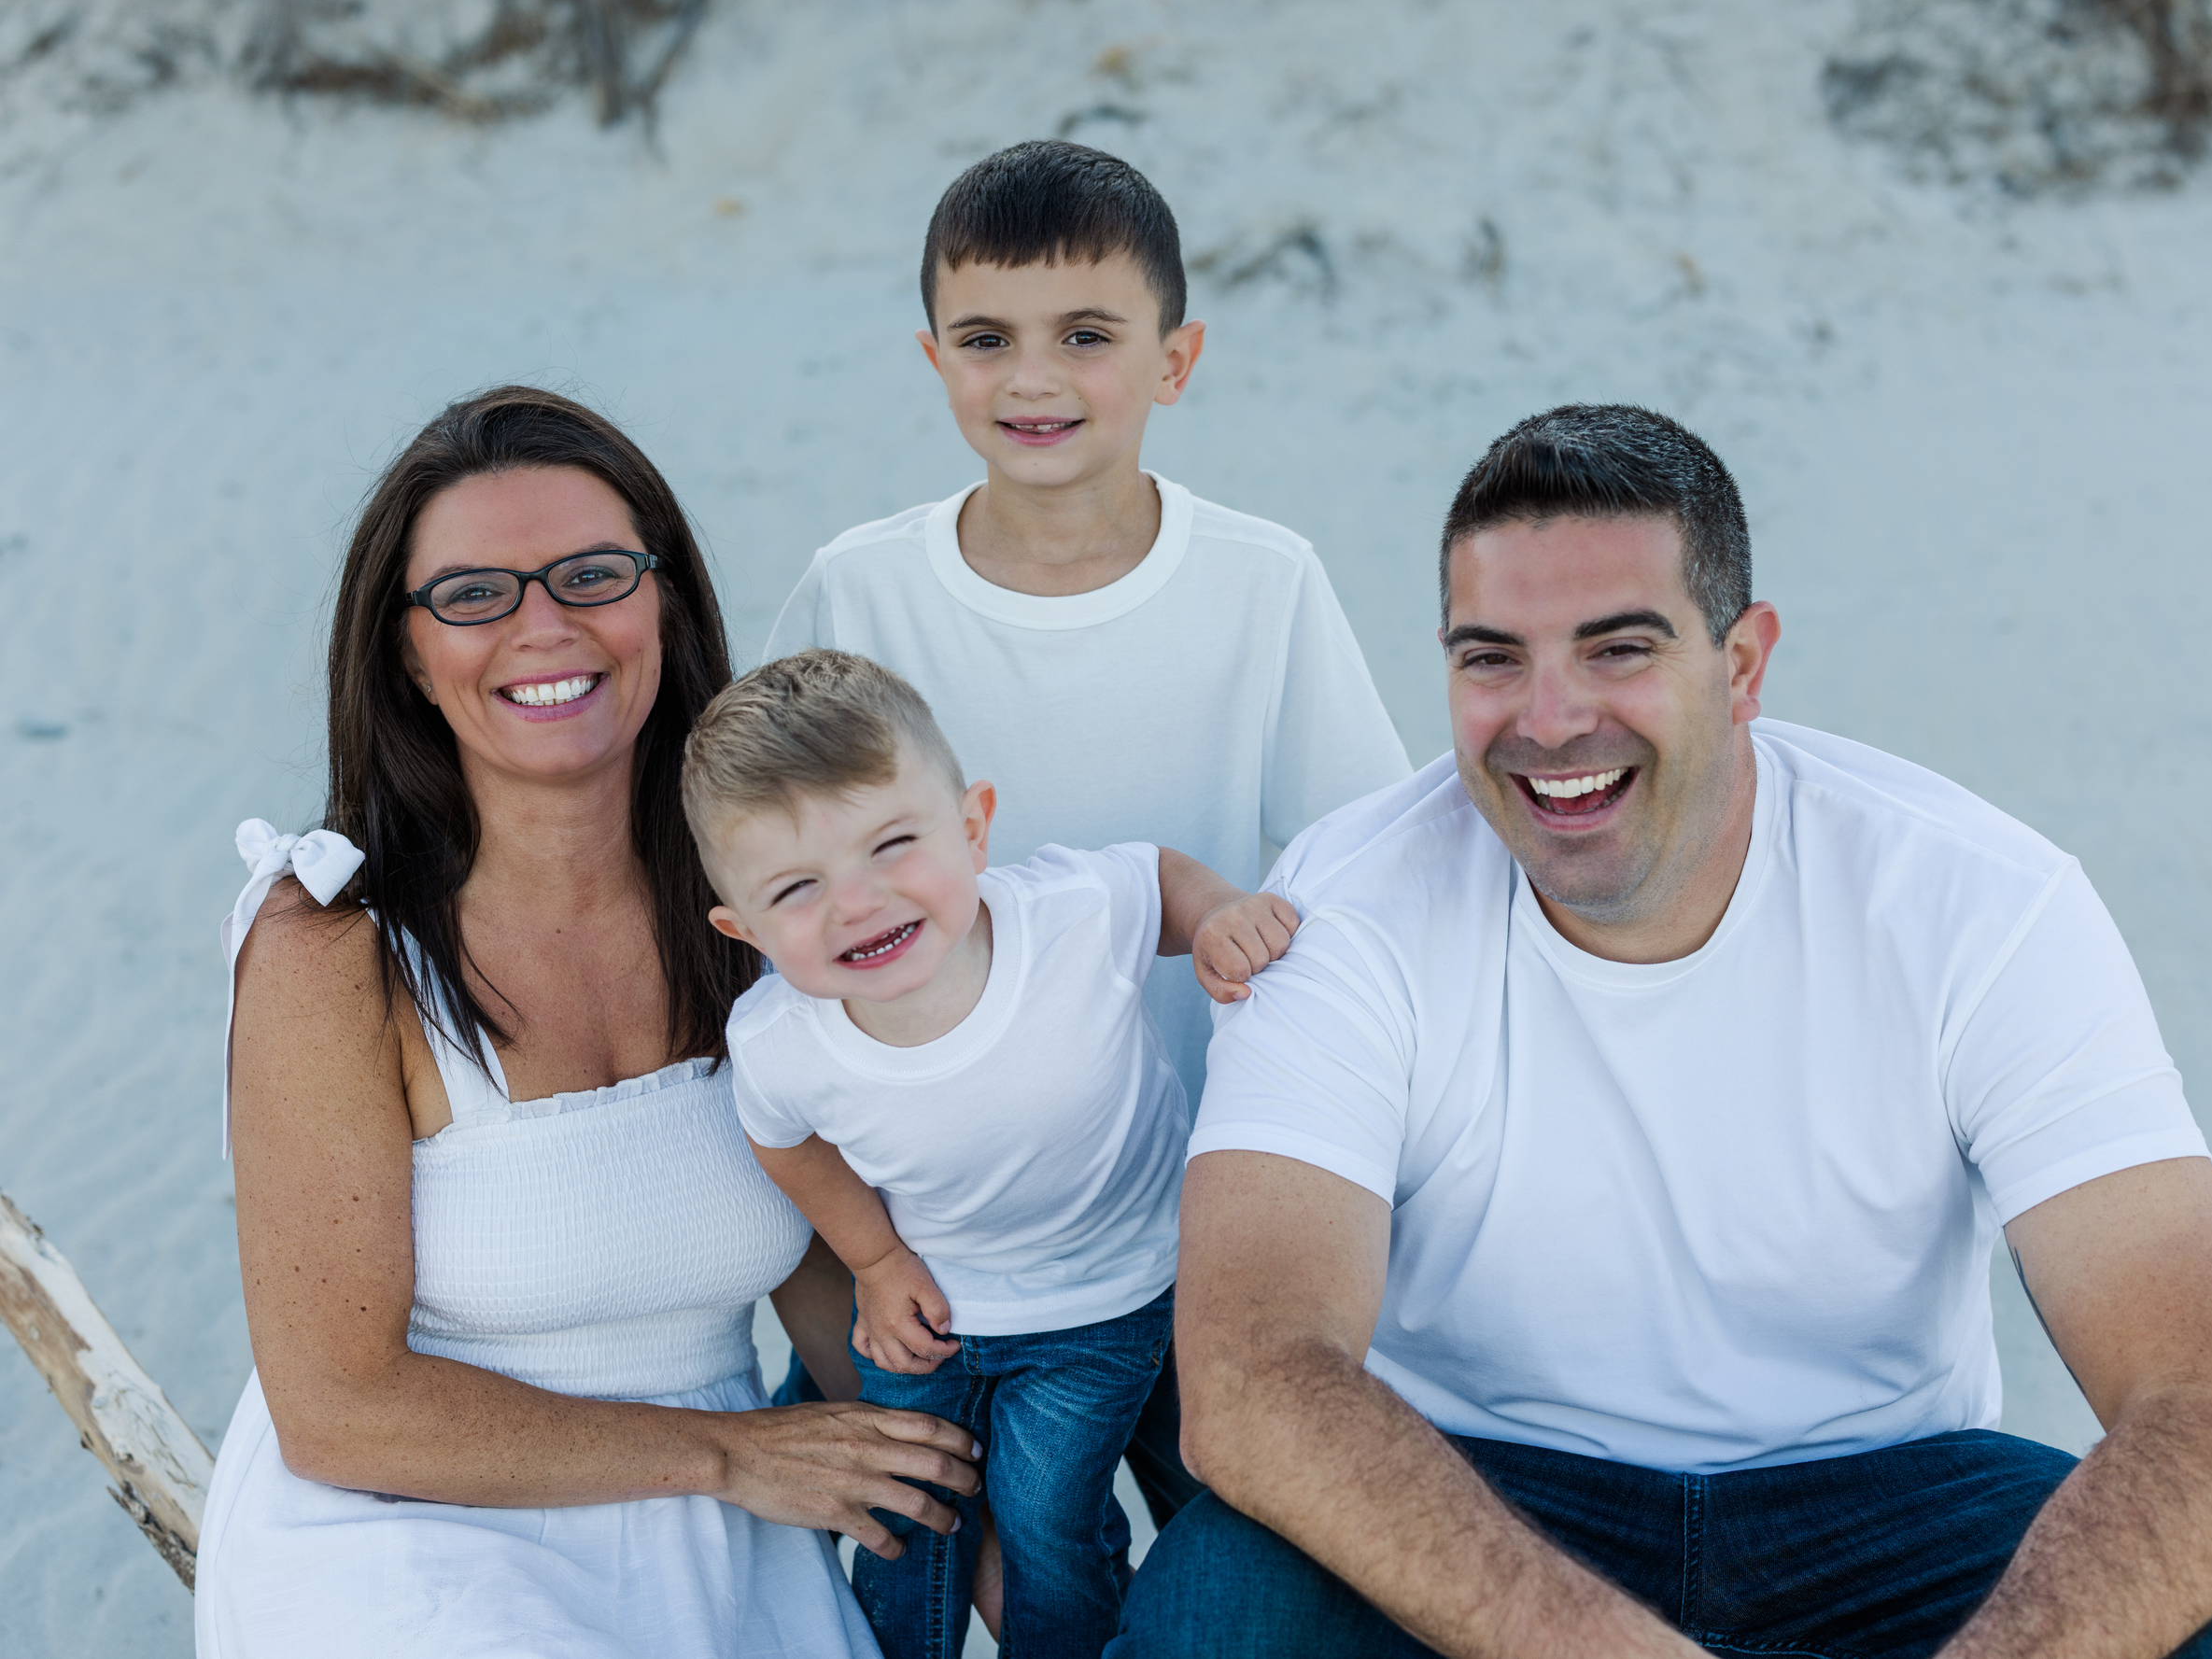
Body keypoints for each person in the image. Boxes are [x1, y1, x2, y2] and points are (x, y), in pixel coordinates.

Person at [1114, 404, 2212, 1658]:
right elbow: (1255, 1376)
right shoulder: (1348, 906)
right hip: (1479, 1496)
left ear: (1742, 663)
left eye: (1617, 649)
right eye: (1492, 659)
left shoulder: (1982, 904)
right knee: (1220, 1609)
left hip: (1890, 1506)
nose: (1548, 718)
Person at [196, 387, 981, 1659]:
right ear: (406, 650)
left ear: (660, 598)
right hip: (407, 1535)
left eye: (591, 573)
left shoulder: (766, 901)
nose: (543, 626)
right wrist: (730, 1452)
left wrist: (1005, 1549)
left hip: (723, 1546)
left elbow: (835, 1269)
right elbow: (340, 1408)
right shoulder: (337, 945)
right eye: (473, 594)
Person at [761, 139, 1413, 1532]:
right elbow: (759, 860)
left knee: (1226, 1567)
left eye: (1088, 336)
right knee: (912, 1562)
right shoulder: (861, 585)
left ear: (1174, 361)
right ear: (935, 358)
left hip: (1201, 1226)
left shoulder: (1260, 581)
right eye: (987, 338)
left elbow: (1370, 870)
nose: (1034, 378)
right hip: (934, 1238)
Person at [680, 650, 1301, 1659]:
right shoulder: (778, 1038)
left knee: (1047, 1521)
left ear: (972, 828)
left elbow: (1151, 875)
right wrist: (876, 1263)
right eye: (797, 886)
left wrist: (1219, 913)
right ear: (741, 927)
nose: (857, 901)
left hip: (1100, 1300)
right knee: (900, 1513)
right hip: (928, 1304)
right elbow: (782, 1142)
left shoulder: (1064, 919)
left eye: (893, 844)